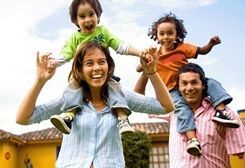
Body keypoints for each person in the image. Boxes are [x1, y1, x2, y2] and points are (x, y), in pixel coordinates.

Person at [16, 41, 175, 168]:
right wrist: (40, 81)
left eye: (102, 62)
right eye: (89, 63)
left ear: (109, 66)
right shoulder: (69, 99)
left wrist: (151, 72)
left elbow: (165, 107)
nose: (97, 68)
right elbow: (23, 118)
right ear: (80, 69)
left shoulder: (121, 96)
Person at [134, 12, 239, 156]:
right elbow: (139, 68)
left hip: (187, 81)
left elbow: (202, 51)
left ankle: (221, 111)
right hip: (171, 90)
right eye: (162, 34)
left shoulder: (183, 47)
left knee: (212, 83)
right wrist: (147, 58)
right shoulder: (156, 53)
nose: (166, 37)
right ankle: (192, 140)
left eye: (170, 33)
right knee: (182, 109)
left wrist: (211, 44)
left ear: (177, 34)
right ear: (156, 36)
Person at [49, 0, 143, 135]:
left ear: (98, 16)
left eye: (91, 14)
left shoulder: (103, 32)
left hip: (103, 76)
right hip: (82, 76)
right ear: (76, 20)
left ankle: (122, 118)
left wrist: (140, 53)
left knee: (114, 88)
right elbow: (66, 54)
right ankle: (68, 116)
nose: (87, 19)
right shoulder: (75, 38)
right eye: (82, 16)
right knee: (73, 89)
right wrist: (54, 62)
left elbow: (120, 46)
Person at [148, 63, 245, 167]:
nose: (189, 88)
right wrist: (147, 71)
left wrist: (226, 136)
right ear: (178, 88)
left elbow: (240, 153)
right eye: (184, 83)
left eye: (194, 82)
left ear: (203, 85)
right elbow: (139, 100)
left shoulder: (226, 115)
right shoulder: (172, 111)